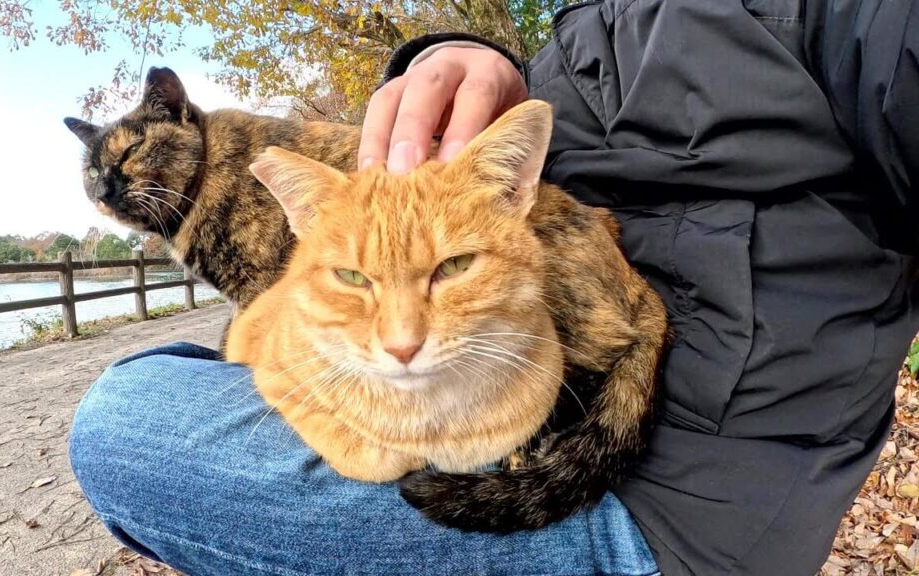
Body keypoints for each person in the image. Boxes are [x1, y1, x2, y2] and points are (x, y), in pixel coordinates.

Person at [69, 1, 919, 574]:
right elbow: (538, 148)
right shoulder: (594, 14)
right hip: (520, 339)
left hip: (686, 484)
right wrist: (471, 62)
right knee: (173, 373)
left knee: (121, 419)